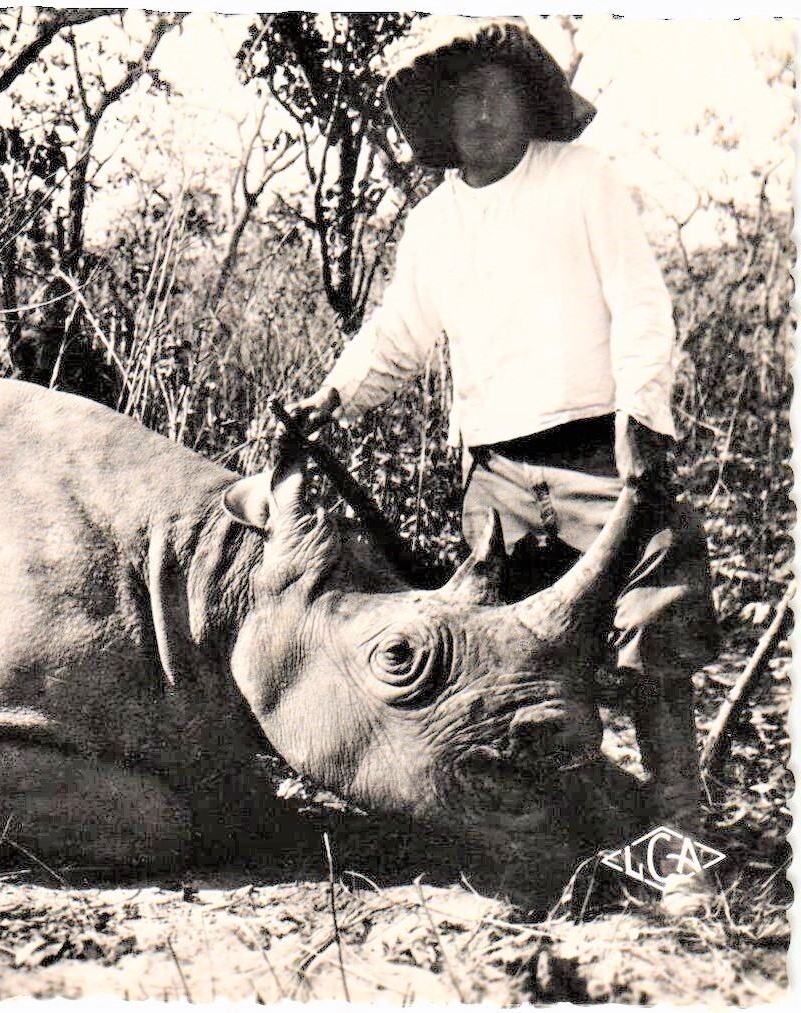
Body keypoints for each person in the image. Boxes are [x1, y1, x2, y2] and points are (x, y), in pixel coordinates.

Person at [286, 16, 720, 832]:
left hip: (602, 451)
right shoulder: (433, 227)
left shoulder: (583, 178)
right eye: (465, 100)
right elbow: (397, 336)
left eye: (497, 94)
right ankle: (571, 839)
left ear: (528, 104)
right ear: (444, 121)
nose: (482, 114)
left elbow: (640, 303)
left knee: (654, 630)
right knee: (516, 667)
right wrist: (333, 396)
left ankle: (680, 841)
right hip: (495, 475)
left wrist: (640, 413)